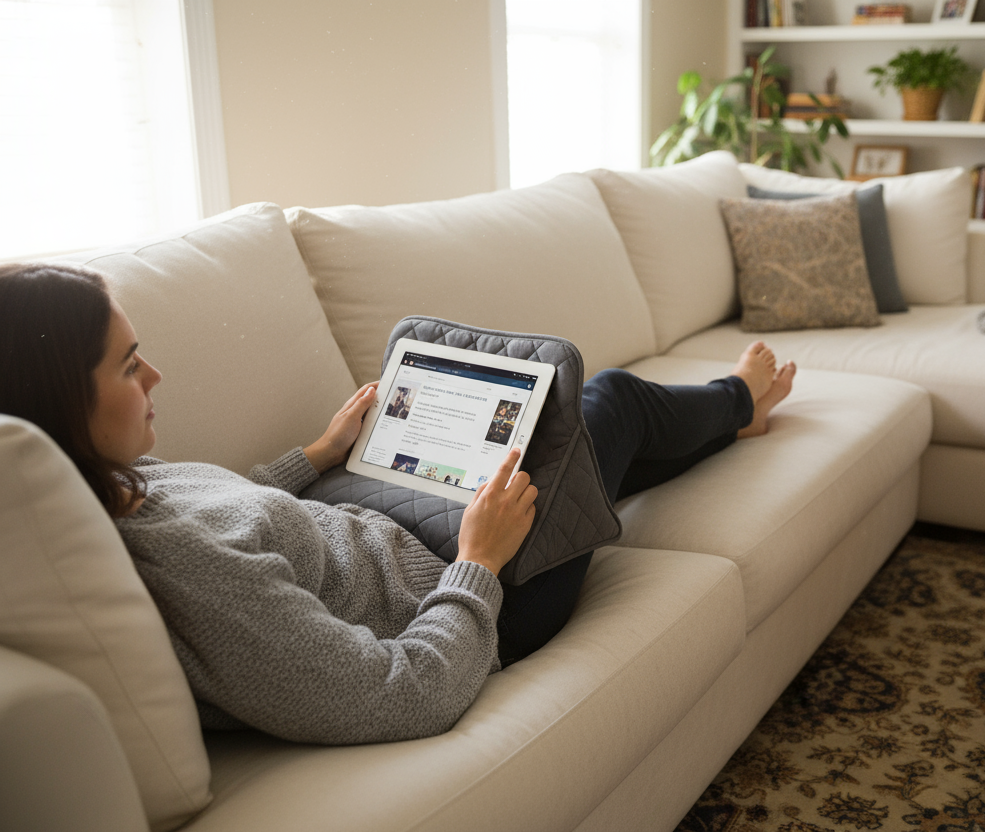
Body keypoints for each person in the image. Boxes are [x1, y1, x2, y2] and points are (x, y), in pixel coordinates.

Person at [0, 262, 796, 745]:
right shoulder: (191, 579)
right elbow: (399, 689)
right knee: (610, 401)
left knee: (575, 446)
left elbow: (229, 514)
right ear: (58, 398)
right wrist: (481, 560)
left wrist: (316, 454)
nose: (155, 379)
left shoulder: (107, 488)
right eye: (129, 364)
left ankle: (726, 425)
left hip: (388, 522)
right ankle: (739, 400)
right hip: (482, 595)